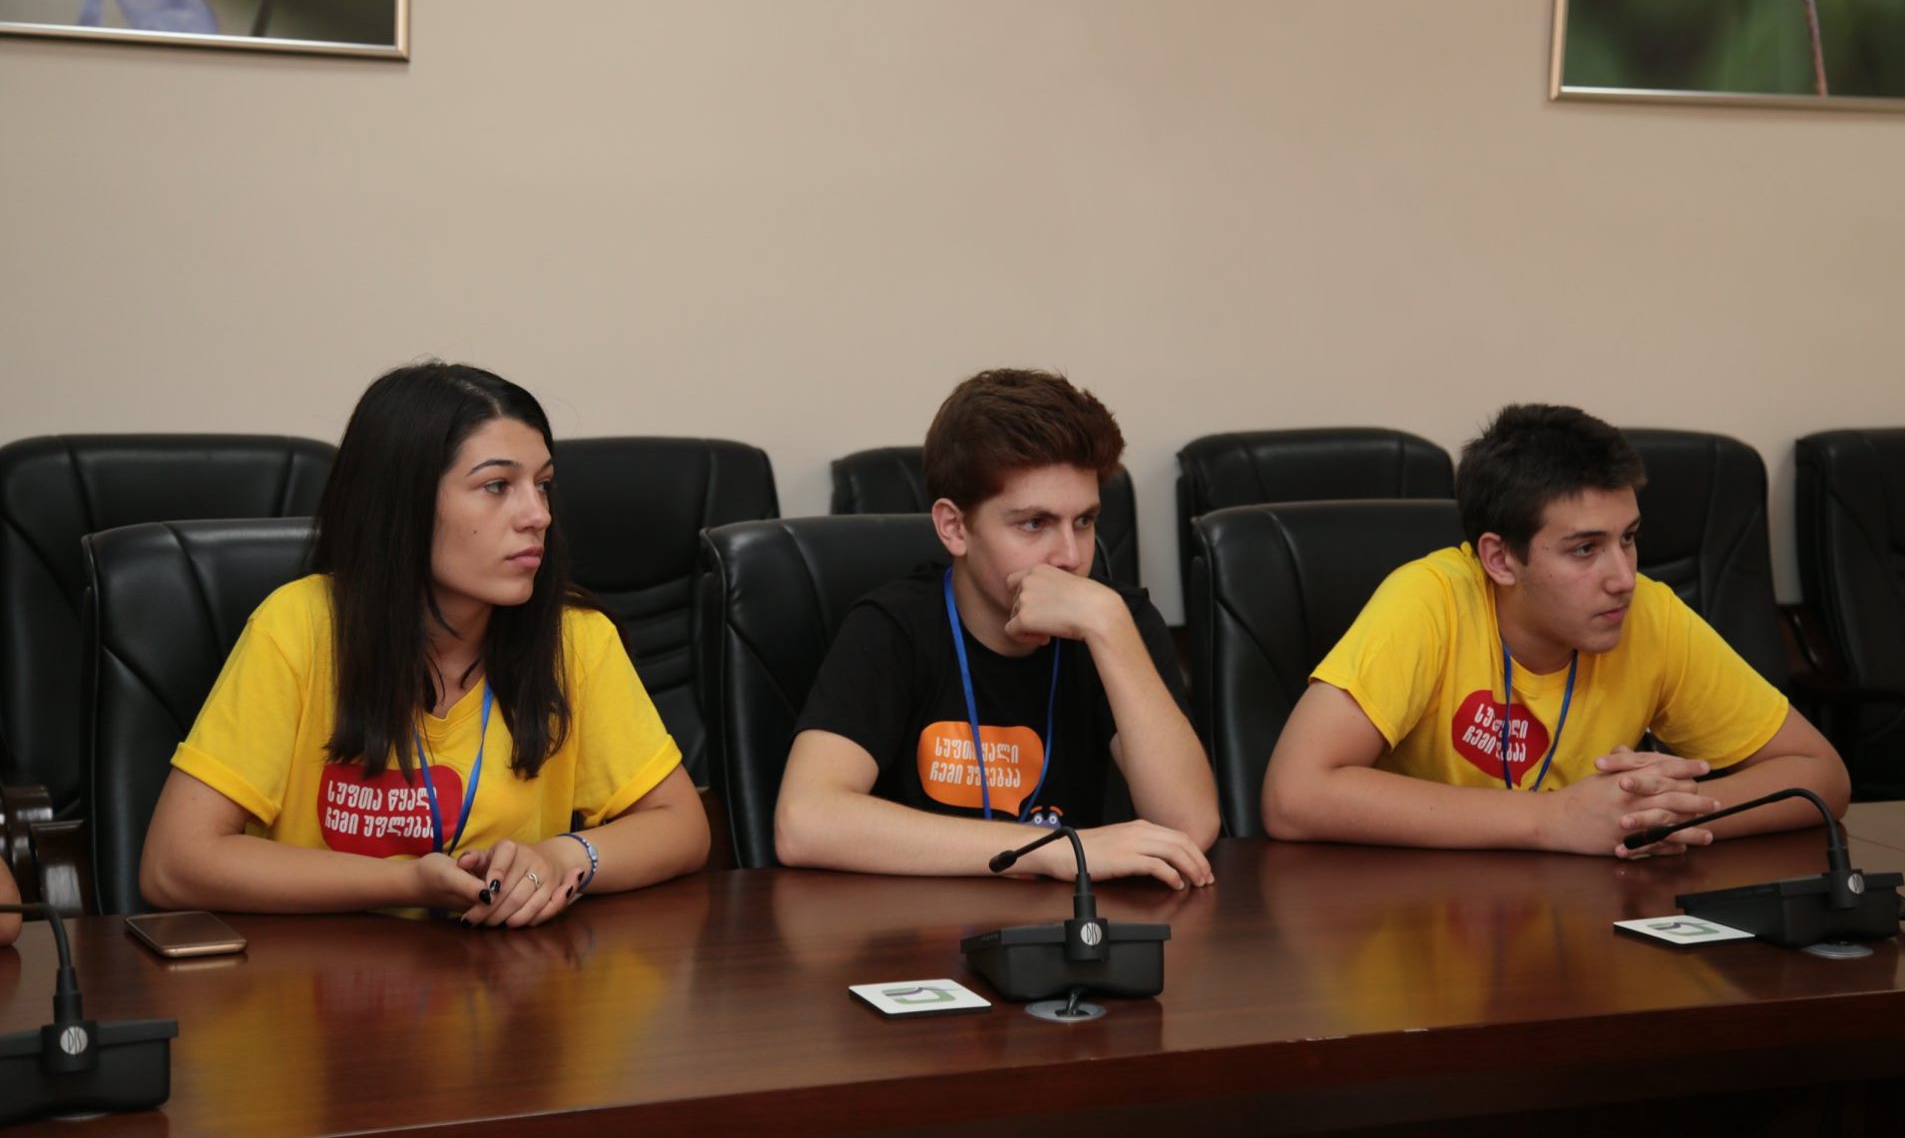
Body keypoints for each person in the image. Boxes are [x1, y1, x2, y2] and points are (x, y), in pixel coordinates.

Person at [139, 362, 709, 926]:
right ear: (403, 504)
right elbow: (174, 864)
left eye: (542, 485)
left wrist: (566, 856)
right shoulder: (298, 625)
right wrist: (409, 882)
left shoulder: (572, 638)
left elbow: (682, 825)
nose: (538, 516)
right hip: (313, 972)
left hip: (506, 974)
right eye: (496, 486)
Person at [1262, 403, 1849, 858]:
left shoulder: (1648, 612)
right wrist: (1555, 819)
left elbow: (1820, 773)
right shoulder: (1429, 600)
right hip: (1416, 921)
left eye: (1628, 538)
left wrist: (1665, 814)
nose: (1623, 578)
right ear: (1500, 560)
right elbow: (1294, 796)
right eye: (1585, 549)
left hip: (1581, 915)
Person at [776, 369, 1220, 888]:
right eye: (1034, 523)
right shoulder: (893, 627)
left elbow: (1188, 828)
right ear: (954, 527)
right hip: (921, 925)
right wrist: (1047, 850)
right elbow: (804, 822)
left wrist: (1109, 627)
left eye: (1084, 521)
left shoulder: (1114, 619)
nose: (1071, 556)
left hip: (1075, 924)